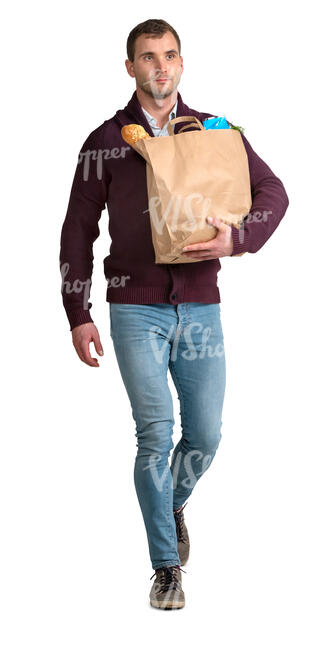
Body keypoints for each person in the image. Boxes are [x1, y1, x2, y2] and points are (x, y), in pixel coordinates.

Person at [59, 18, 289, 610]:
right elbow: (78, 232)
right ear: (130, 67)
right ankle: (166, 568)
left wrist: (238, 239)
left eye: (170, 56)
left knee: (206, 436)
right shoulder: (105, 143)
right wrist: (76, 311)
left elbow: (273, 192)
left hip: (201, 307)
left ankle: (170, 503)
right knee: (155, 436)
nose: (160, 67)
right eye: (148, 57)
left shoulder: (213, 131)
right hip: (134, 310)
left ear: (181, 64)